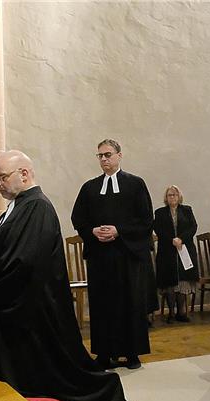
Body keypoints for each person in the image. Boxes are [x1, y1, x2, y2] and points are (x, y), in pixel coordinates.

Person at [0, 150, 135, 401]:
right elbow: (2, 248)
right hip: (20, 304)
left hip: (35, 308)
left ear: (24, 174)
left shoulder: (37, 207)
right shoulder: (19, 206)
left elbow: (25, 260)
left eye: (2, 177)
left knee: (55, 371)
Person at [71, 139, 153, 370]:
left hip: (127, 255)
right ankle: (104, 354)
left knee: (130, 303)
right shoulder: (89, 187)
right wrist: (93, 231)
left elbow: (146, 220)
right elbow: (78, 218)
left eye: (108, 155)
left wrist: (119, 231)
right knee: (102, 305)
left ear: (119, 155)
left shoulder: (135, 184)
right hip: (100, 257)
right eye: (100, 156)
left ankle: (132, 353)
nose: (104, 159)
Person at [153, 185, 199, 323]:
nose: (172, 197)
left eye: (174, 195)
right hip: (167, 250)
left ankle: (182, 312)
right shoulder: (160, 212)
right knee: (169, 283)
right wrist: (172, 240)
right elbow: (158, 229)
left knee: (183, 281)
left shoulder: (187, 210)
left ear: (179, 197)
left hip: (184, 249)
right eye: (169, 195)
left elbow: (193, 227)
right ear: (166, 198)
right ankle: (171, 312)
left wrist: (181, 239)